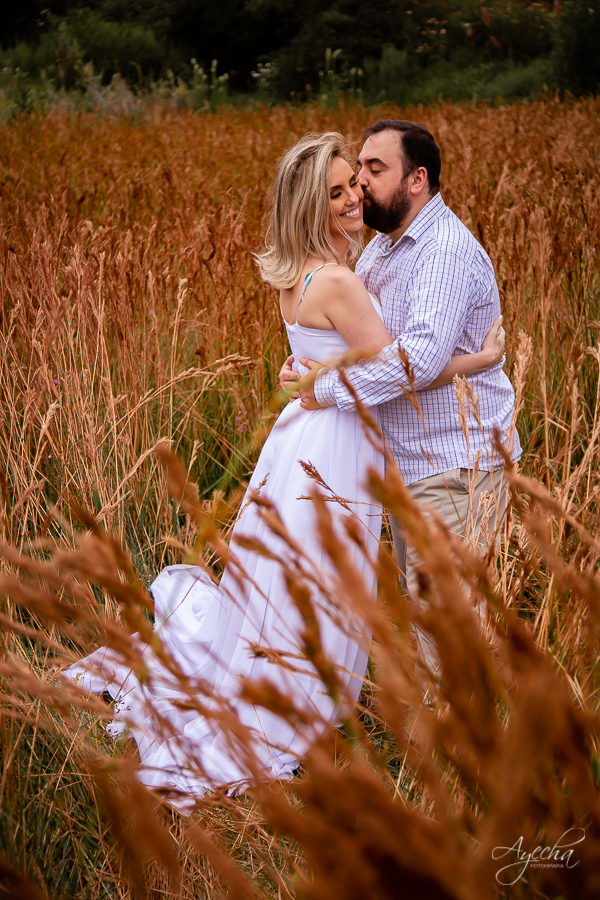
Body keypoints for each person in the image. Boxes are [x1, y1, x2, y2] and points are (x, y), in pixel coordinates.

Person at [64, 132, 504, 811]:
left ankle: (296, 688)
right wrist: (481, 360)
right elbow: (400, 373)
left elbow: (336, 362)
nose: (355, 193)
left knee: (292, 578)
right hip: (337, 440)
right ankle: (298, 706)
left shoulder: (299, 274)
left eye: (356, 180)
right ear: (313, 208)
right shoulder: (339, 279)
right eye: (338, 191)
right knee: (320, 581)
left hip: (305, 439)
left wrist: (311, 373)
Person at [281, 120, 521, 680]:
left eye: (372, 170)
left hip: (453, 461)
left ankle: (458, 753)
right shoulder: (380, 251)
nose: (360, 184)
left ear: (416, 181)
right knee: (428, 615)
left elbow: (418, 359)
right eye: (356, 170)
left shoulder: (442, 251)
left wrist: (326, 388)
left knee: (445, 623)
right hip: (406, 461)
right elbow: (367, 347)